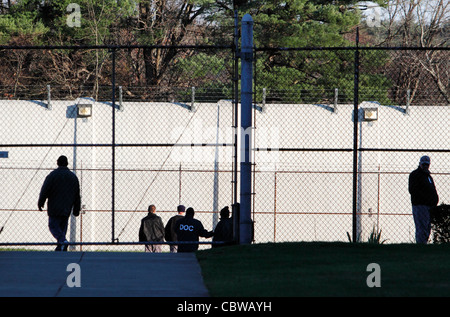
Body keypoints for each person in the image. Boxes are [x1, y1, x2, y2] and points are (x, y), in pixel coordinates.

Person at [38, 155, 81, 251]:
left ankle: (62, 241)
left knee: (53, 225)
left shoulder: (52, 175)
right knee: (63, 226)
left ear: (58, 163)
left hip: (54, 206)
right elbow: (77, 194)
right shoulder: (73, 177)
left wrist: (41, 201)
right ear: (67, 163)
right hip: (67, 206)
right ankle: (61, 244)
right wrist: (76, 208)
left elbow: (45, 189)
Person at [408, 155, 439, 244]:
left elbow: (433, 189)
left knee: (427, 227)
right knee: (421, 226)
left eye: (427, 164)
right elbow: (413, 190)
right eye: (424, 164)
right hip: (420, 205)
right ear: (420, 164)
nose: (425, 166)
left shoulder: (428, 176)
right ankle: (421, 245)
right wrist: (427, 199)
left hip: (429, 206)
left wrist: (434, 200)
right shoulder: (415, 175)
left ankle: (423, 244)